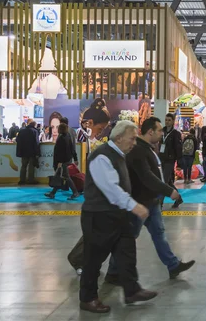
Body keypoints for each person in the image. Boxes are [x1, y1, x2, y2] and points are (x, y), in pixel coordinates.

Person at [105, 117, 195, 282]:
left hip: (151, 201)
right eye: (159, 130)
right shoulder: (139, 150)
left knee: (158, 234)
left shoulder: (146, 149)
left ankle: (173, 265)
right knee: (129, 238)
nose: (162, 133)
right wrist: (169, 191)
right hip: (140, 202)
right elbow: (147, 177)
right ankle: (113, 272)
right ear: (150, 131)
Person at [79, 120, 156, 314]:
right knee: (94, 259)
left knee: (126, 251)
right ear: (119, 137)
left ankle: (132, 290)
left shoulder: (119, 155)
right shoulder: (102, 156)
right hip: (99, 216)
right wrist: (134, 206)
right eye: (132, 139)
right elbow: (111, 189)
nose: (134, 143)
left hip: (116, 215)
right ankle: (88, 298)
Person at [45, 123, 80, 200]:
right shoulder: (68, 136)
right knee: (58, 176)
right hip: (66, 160)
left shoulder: (61, 138)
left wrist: (59, 162)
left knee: (66, 177)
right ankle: (52, 193)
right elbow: (72, 149)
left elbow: (60, 152)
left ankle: (75, 192)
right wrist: (75, 158)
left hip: (62, 161)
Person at [159, 113, 183, 207]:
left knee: (163, 182)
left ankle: (159, 204)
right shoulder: (162, 131)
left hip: (170, 160)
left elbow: (178, 148)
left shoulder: (176, 134)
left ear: (173, 121)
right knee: (168, 182)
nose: (167, 122)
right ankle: (179, 198)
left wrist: (179, 163)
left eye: (169, 120)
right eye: (166, 120)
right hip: (161, 159)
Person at [15, 119, 40, 185]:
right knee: (31, 166)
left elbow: (17, 140)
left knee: (23, 166)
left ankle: (22, 180)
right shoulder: (35, 131)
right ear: (34, 125)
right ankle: (30, 180)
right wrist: (37, 152)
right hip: (32, 152)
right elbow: (36, 143)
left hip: (23, 151)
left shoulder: (22, 131)